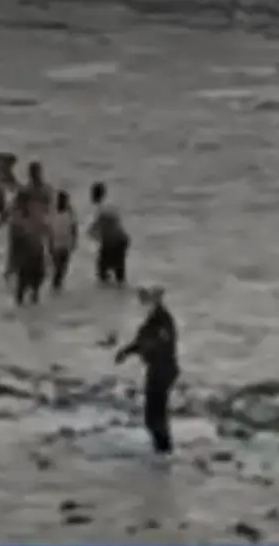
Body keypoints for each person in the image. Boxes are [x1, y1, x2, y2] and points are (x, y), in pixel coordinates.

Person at [115, 286, 179, 455]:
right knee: (153, 415)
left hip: (163, 369)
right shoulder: (154, 321)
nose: (143, 304)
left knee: (155, 415)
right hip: (157, 369)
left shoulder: (162, 320)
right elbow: (141, 342)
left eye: (146, 300)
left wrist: (143, 348)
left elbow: (160, 342)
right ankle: (162, 449)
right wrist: (126, 352)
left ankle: (164, 450)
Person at [6, 190, 51, 305]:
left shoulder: (20, 221)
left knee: (26, 293)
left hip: (32, 258)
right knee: (28, 293)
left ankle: (28, 316)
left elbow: (13, 246)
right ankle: (31, 316)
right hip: (30, 258)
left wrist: (10, 265)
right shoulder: (30, 219)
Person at [87, 181, 130, 285]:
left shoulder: (103, 208)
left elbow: (103, 224)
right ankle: (118, 296)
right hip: (119, 240)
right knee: (117, 273)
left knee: (103, 272)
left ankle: (110, 296)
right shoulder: (107, 206)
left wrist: (93, 231)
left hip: (114, 242)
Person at [49, 190, 78, 292]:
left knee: (62, 268)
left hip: (64, 245)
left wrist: (74, 241)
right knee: (58, 268)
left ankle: (57, 287)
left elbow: (74, 229)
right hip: (58, 245)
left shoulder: (69, 213)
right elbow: (49, 231)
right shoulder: (54, 213)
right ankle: (56, 287)